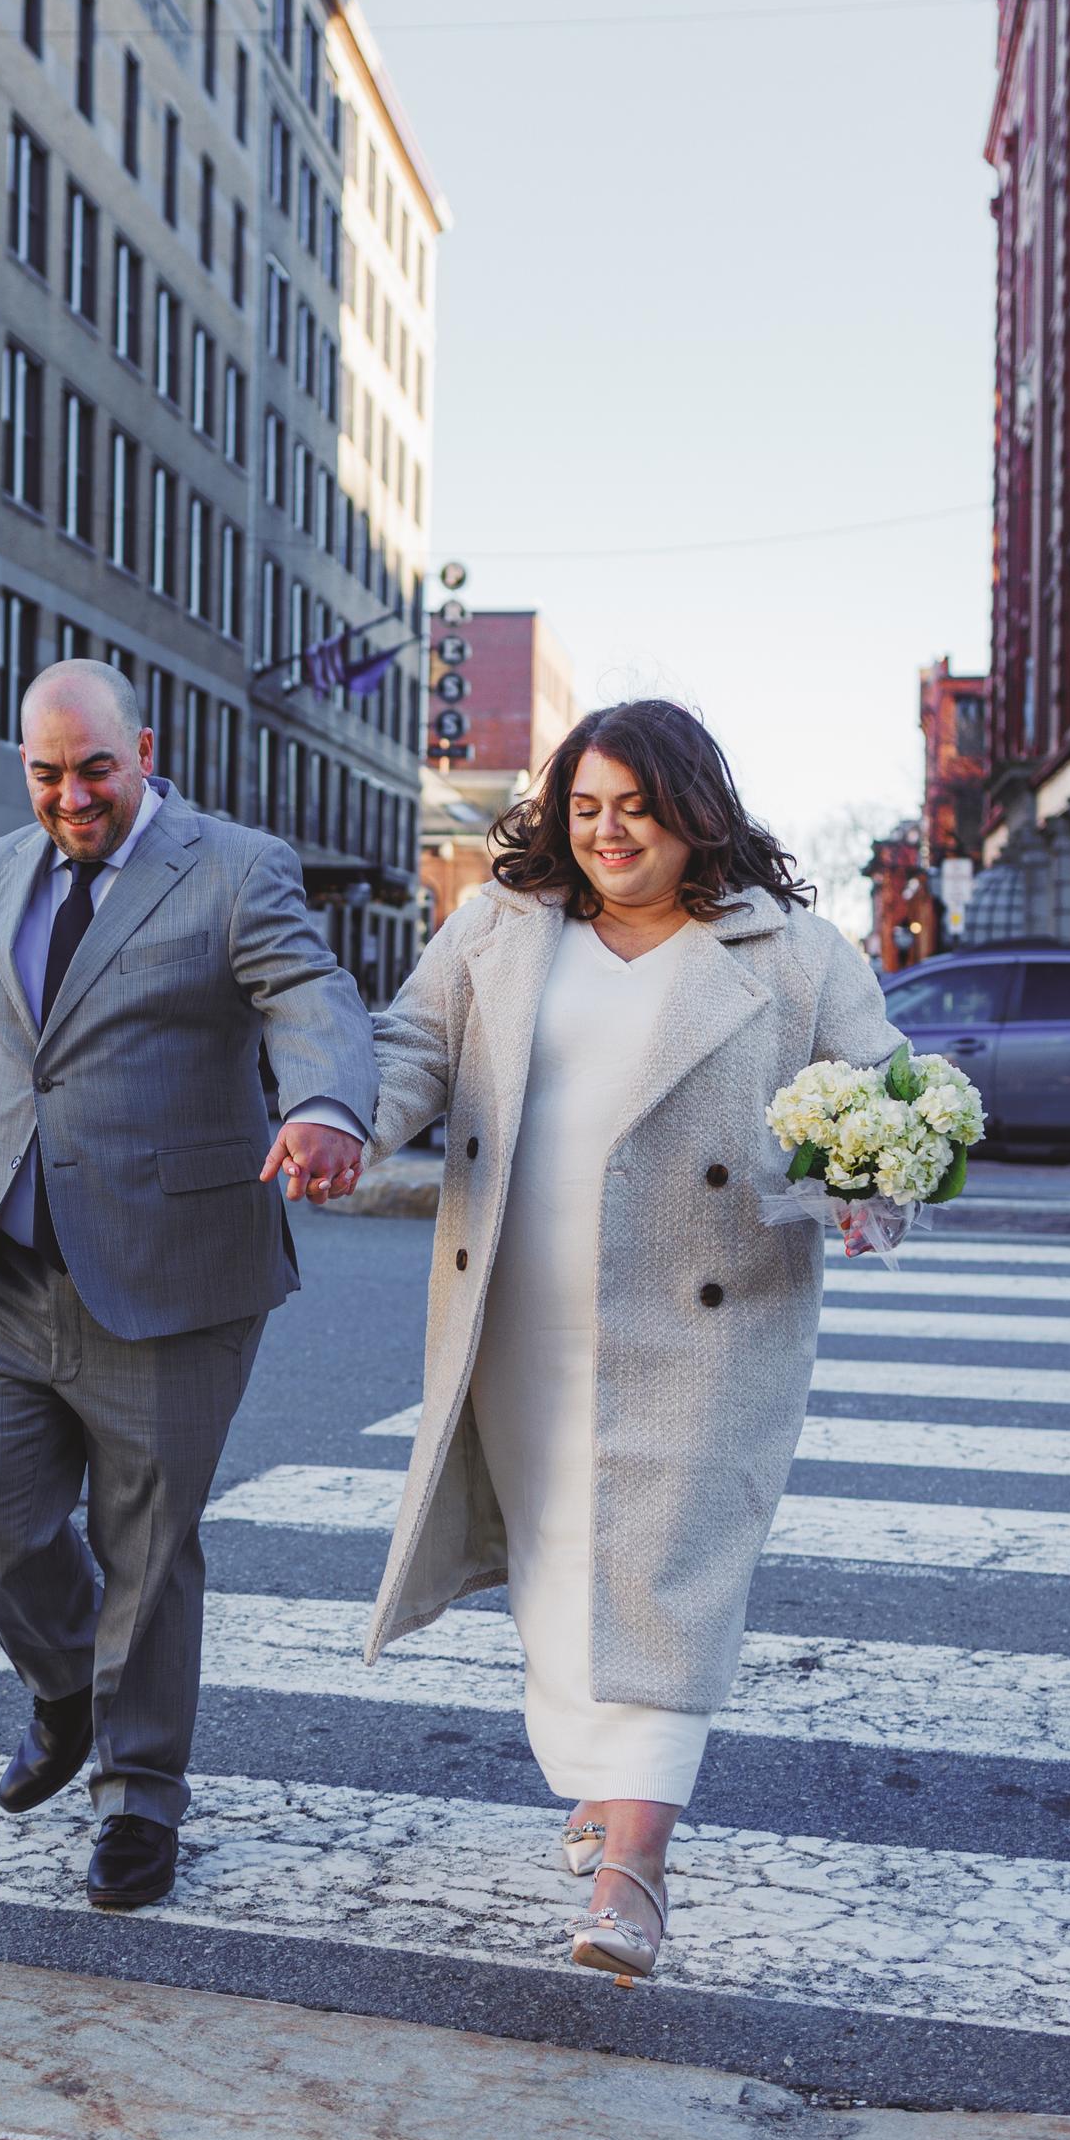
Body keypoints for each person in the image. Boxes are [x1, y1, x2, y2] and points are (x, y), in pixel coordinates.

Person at [361, 700, 896, 1976]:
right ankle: (598, 1796)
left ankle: (633, 1867)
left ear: (692, 812)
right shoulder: (498, 929)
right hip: (519, 1310)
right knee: (556, 1563)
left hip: (708, 1318)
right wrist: (349, 1125)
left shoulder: (791, 956)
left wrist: (872, 1187)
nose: (607, 834)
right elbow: (410, 1050)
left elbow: (883, 1087)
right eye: (584, 808)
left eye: (635, 810)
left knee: (661, 1577)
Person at [0, 660, 376, 1912]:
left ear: (146, 751)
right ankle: (68, 1691)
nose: (71, 797)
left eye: (94, 769)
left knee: (147, 1546)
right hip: (0, 1261)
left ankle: (137, 1800)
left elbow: (306, 992)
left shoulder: (232, 866)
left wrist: (326, 1102)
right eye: (46, 772)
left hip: (174, 1270)